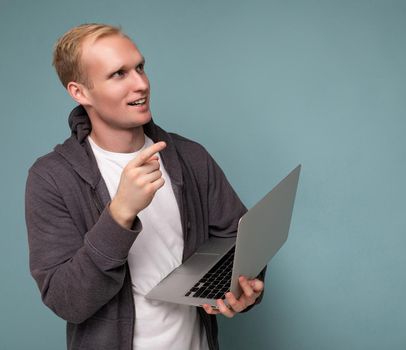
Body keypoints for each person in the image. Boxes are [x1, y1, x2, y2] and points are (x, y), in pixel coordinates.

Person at [25, 23, 264, 350]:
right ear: (80, 92)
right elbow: (68, 301)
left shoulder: (190, 157)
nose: (141, 84)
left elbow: (238, 237)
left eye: (140, 67)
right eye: (118, 74)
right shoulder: (51, 177)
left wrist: (242, 289)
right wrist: (120, 213)